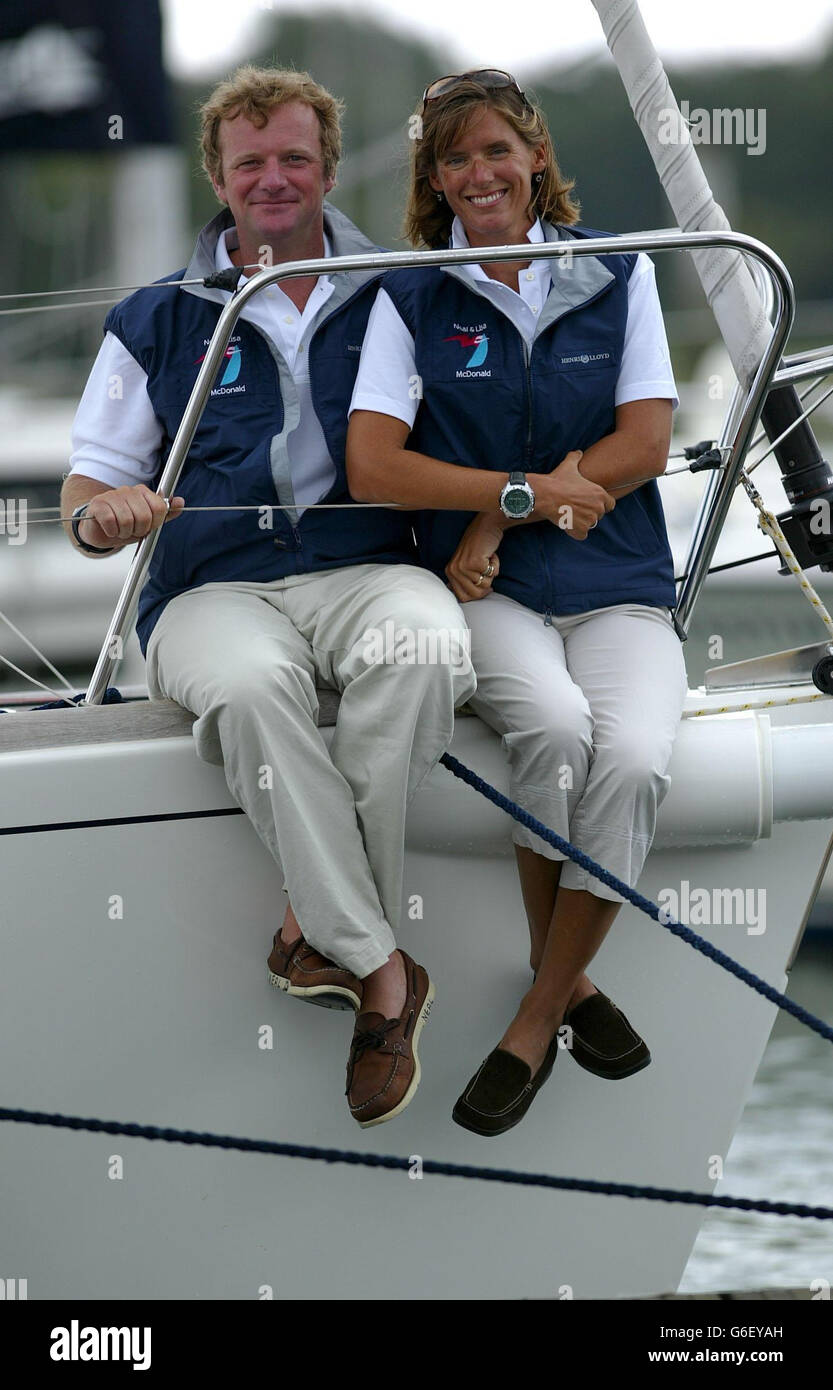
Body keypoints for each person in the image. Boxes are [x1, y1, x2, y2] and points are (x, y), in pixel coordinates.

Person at [61, 64, 475, 1128]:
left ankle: (316, 920)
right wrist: (99, 517)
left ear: (328, 167)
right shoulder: (154, 317)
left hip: (368, 571)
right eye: (251, 163)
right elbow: (86, 484)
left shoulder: (401, 289)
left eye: (294, 158)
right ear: (219, 175)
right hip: (212, 588)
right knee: (247, 690)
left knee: (427, 649)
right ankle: (383, 971)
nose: (274, 179)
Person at [347, 69, 688, 1136]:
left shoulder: (617, 273)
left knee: (630, 756)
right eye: (454, 159)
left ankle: (538, 1010)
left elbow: (644, 445)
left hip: (615, 582)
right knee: (548, 729)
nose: (477, 173)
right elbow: (372, 467)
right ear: (433, 179)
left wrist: (504, 515)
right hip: (482, 594)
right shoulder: (408, 296)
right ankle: (569, 992)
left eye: (496, 150)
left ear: (535, 154)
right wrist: (510, 500)